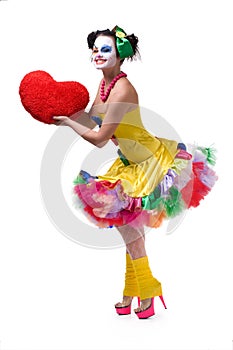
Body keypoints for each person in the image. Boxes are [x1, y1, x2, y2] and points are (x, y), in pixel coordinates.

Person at [53, 25, 217, 319]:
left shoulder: (123, 88)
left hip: (151, 161)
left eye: (106, 49)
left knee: (130, 230)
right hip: (129, 164)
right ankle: (133, 288)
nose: (98, 54)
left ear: (119, 55)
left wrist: (68, 124)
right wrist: (61, 110)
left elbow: (100, 139)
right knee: (127, 229)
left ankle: (148, 288)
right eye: (95, 49)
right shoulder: (104, 86)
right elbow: (92, 120)